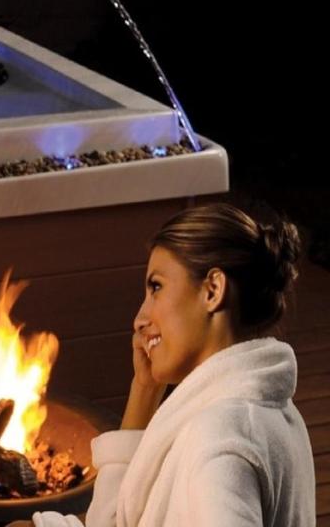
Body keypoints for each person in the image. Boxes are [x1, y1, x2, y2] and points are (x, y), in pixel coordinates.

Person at [26, 203, 316, 527]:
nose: (139, 320)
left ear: (212, 290)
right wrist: (146, 388)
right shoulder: (273, 413)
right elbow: (114, 521)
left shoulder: (221, 436)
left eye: (156, 287)